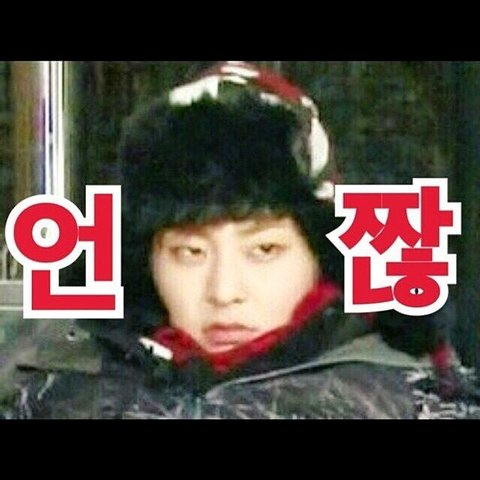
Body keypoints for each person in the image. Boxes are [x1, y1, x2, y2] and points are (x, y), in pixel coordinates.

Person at [1, 62, 476, 419]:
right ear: (146, 259)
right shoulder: (48, 385)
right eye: (190, 252)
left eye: (264, 250)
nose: (225, 291)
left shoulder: (409, 397)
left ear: (321, 252)